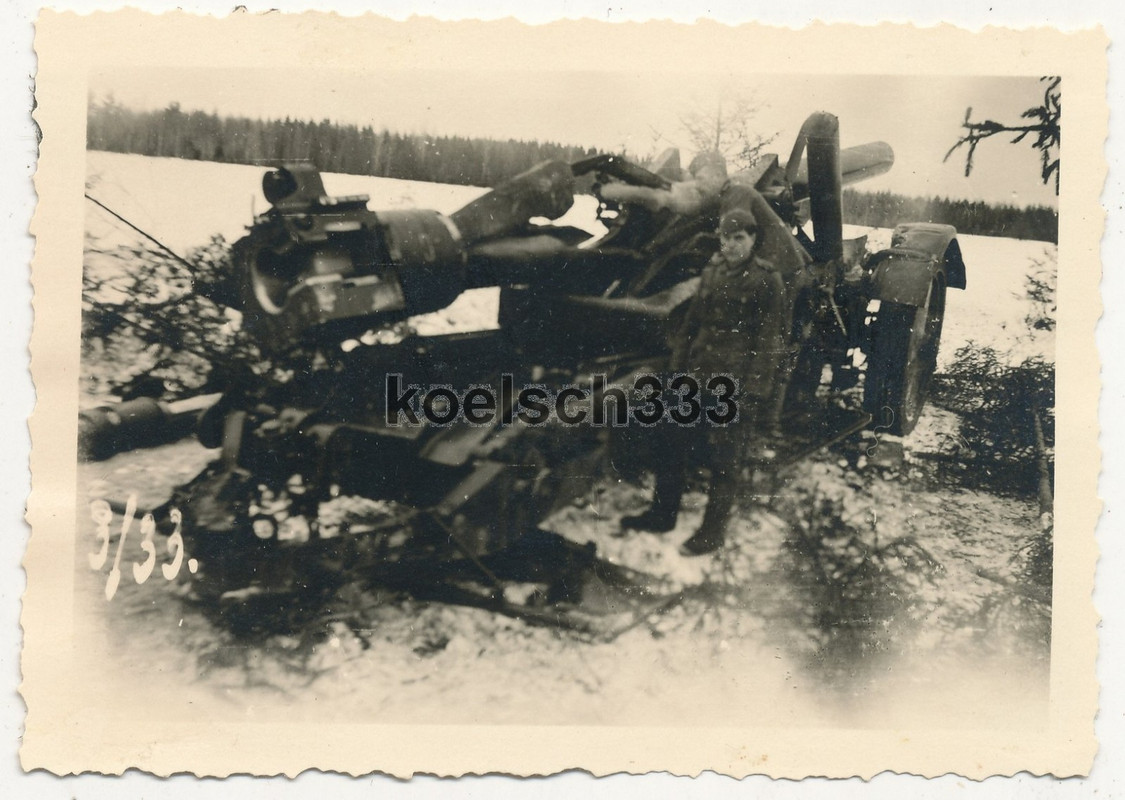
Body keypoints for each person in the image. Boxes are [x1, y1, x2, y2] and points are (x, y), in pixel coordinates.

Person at [620, 204, 792, 556]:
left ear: (754, 239)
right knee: (672, 445)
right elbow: (691, 327)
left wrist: (753, 393)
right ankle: (662, 515)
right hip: (694, 377)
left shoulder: (766, 280)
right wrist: (677, 372)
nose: (731, 245)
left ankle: (711, 533)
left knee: (724, 461)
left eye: (739, 238)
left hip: (731, 385)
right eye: (726, 238)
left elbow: (770, 341)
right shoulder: (712, 270)